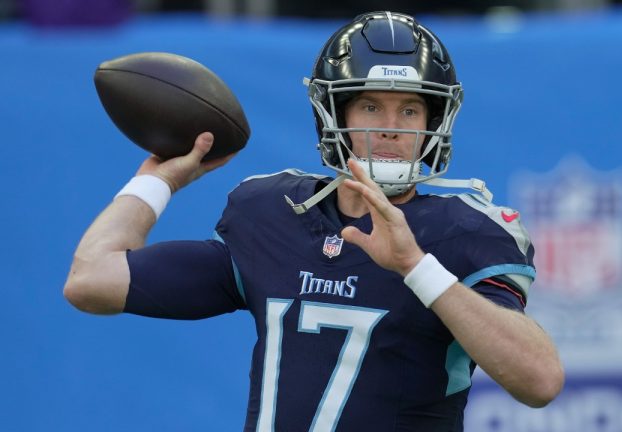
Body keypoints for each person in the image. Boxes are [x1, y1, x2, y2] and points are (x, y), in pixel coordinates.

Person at [64, 11, 564, 431]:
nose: (389, 129)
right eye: (370, 105)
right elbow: (90, 280)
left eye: (409, 110)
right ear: (334, 116)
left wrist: (417, 266)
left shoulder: (463, 231)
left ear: (433, 124)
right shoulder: (274, 215)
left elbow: (540, 380)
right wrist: (158, 180)